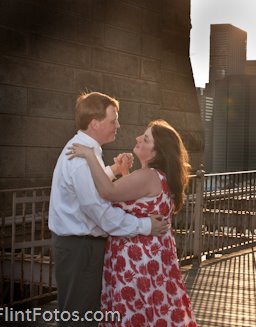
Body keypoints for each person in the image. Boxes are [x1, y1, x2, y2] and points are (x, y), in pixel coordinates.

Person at [48, 92, 169, 325]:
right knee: (79, 319)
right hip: (81, 249)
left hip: (79, 247)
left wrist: (112, 171)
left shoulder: (85, 150)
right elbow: (99, 211)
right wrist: (145, 225)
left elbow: (89, 191)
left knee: (78, 314)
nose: (118, 125)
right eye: (113, 120)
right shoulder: (81, 157)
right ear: (95, 123)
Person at [68, 119, 197, 326]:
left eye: (145, 138)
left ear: (156, 152)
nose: (138, 138)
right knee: (152, 312)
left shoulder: (146, 176)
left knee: (134, 313)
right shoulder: (160, 177)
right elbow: (137, 203)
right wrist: (123, 172)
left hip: (136, 266)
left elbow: (107, 192)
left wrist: (91, 156)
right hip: (154, 262)